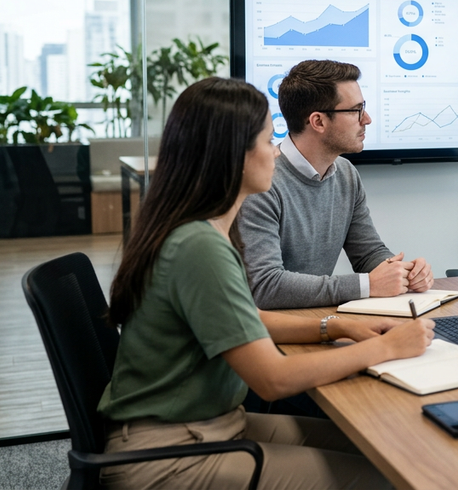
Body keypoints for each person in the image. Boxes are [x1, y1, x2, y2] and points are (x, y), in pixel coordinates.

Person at [99, 77, 435, 489]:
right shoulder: (198, 246)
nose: (274, 152)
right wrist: (384, 347)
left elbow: (248, 317)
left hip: (215, 424)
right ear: (232, 157)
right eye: (265, 139)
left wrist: (336, 326)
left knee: (381, 447)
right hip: (169, 453)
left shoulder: (200, 230)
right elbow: (272, 379)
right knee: (384, 478)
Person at [239, 59, 433, 310]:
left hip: (319, 319)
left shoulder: (345, 174)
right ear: (318, 122)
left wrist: (403, 272)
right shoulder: (261, 184)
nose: (368, 119)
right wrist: (367, 286)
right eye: (356, 110)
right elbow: (266, 287)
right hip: (273, 332)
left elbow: (368, 254)